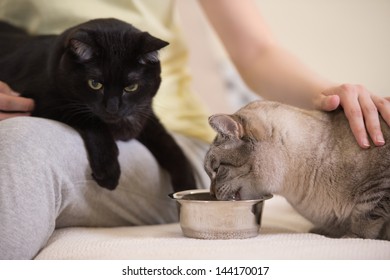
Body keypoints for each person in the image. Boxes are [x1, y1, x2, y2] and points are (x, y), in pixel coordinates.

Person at [0, 0, 388, 259]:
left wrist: (331, 98)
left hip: (162, 147)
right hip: (39, 114)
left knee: (22, 147)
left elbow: (257, 52)